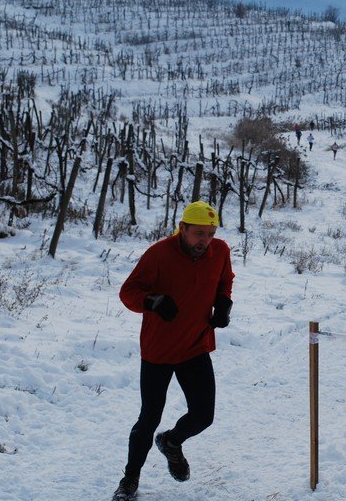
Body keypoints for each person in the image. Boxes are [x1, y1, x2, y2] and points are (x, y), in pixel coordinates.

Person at [112, 201, 235, 501]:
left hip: (195, 346)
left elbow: (224, 281)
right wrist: (152, 301)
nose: (205, 241)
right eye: (198, 234)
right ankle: (129, 480)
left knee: (203, 416)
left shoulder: (220, 251)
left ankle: (171, 442)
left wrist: (223, 305)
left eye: (210, 234)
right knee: (148, 419)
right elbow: (128, 292)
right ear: (182, 228)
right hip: (159, 350)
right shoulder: (159, 254)